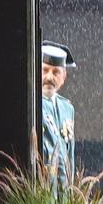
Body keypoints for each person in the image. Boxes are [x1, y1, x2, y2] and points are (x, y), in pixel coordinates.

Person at [39, 42, 76, 186]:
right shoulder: (33, 104)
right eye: (45, 70)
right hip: (43, 187)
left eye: (56, 72)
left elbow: (69, 153)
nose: (49, 77)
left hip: (63, 188)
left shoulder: (67, 108)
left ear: (64, 76)